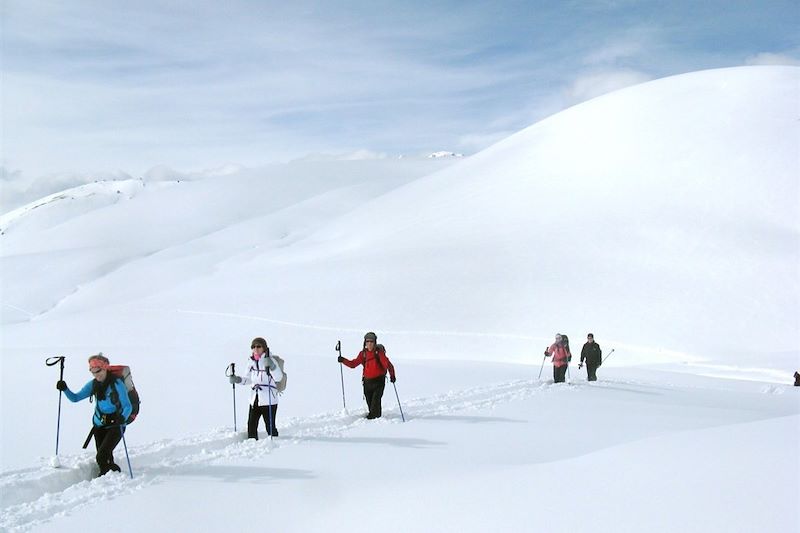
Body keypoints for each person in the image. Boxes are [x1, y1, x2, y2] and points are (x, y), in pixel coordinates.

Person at [56, 353, 133, 476]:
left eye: (98, 371)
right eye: (93, 372)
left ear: (106, 368)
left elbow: (128, 406)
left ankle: (105, 477)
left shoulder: (117, 384)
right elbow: (75, 398)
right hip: (99, 425)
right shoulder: (93, 384)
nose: (96, 375)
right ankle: (112, 474)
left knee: (102, 456)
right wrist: (65, 389)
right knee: (105, 456)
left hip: (116, 425)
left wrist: (122, 417)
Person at [229, 337, 283, 438]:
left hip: (269, 399)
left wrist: (272, 366)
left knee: (270, 427)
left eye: (258, 346)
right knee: (251, 425)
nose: (256, 349)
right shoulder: (251, 362)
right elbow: (248, 379)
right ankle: (252, 444)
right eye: (253, 347)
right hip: (254, 398)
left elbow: (278, 377)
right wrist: (237, 379)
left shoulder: (270, 360)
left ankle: (275, 445)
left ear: (264, 348)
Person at [338, 331, 396, 419]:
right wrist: (343, 360)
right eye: (367, 341)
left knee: (375, 402)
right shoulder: (363, 354)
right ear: (365, 342)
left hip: (379, 382)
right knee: (370, 404)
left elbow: (388, 365)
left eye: (371, 341)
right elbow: (353, 364)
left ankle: (374, 422)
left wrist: (392, 375)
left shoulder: (379, 353)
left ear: (375, 342)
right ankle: (376, 418)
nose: (369, 343)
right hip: (367, 382)